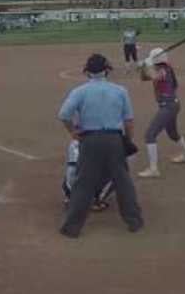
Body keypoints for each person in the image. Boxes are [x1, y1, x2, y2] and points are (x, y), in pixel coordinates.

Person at [58, 53, 143, 237]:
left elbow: (64, 114)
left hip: (89, 140)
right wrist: (127, 140)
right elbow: (128, 121)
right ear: (107, 70)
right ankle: (134, 221)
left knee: (83, 184)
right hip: (114, 140)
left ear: (87, 72)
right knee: (123, 182)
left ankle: (72, 227)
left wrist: (73, 132)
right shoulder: (120, 91)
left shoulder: (79, 91)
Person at [137, 47, 185, 178]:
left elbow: (154, 76)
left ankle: (153, 169)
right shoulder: (164, 68)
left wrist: (147, 64)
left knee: (150, 135)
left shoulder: (163, 70)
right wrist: (143, 66)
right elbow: (144, 77)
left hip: (168, 106)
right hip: (172, 104)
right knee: (173, 134)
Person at [63, 136, 117, 212]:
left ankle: (72, 197)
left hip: (72, 186)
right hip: (92, 185)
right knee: (119, 171)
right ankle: (95, 199)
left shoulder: (76, 140)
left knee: (74, 166)